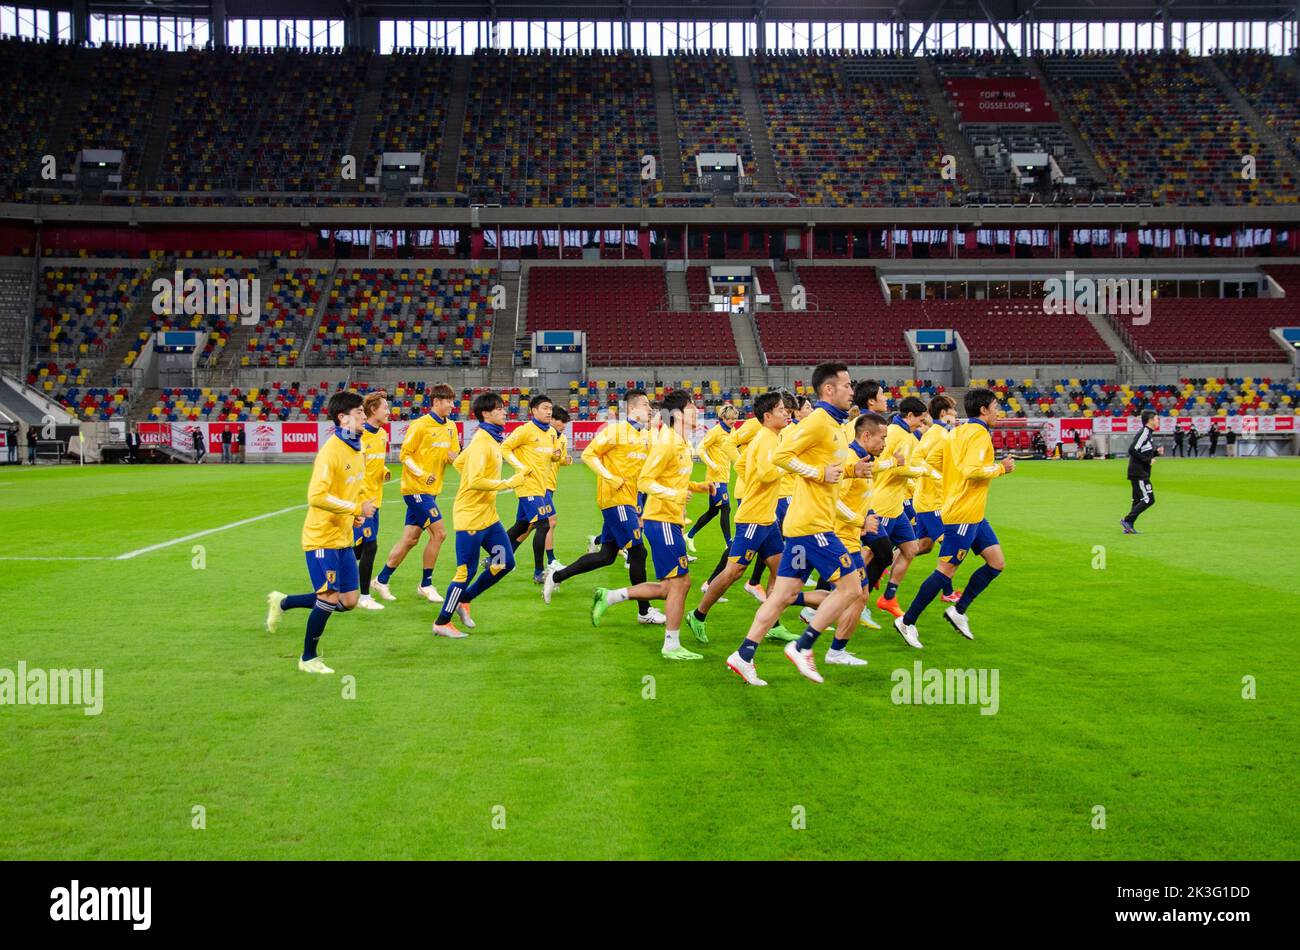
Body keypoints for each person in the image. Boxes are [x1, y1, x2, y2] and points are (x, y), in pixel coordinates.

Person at [729, 362, 874, 686]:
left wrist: (851, 471)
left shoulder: (835, 425)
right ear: (828, 390)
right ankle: (803, 646)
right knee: (851, 588)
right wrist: (817, 474)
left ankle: (743, 654)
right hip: (813, 527)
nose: (852, 390)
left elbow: (826, 467)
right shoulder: (820, 422)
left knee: (781, 596)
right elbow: (782, 456)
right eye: (847, 385)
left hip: (803, 525)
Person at [590, 389, 711, 659]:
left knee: (670, 587)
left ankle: (610, 597)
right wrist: (675, 495)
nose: (697, 409)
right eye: (691, 406)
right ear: (678, 414)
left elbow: (673, 480)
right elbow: (645, 481)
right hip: (662, 520)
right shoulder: (667, 442)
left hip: (671, 519)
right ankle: (671, 644)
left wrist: (699, 487)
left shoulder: (681, 443)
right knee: (681, 583)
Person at [265, 390, 376, 674]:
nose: (364, 416)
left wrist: (356, 515)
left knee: (348, 601)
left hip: (343, 537)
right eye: (359, 412)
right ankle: (308, 658)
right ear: (343, 417)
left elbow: (353, 486)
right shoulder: (331, 451)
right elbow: (316, 496)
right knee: (327, 597)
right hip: (320, 537)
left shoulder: (357, 446)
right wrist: (354, 509)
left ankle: (284, 602)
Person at [895, 388, 1014, 645]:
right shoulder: (979, 434)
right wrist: (1001, 468)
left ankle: (958, 611)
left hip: (973, 513)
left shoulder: (957, 432)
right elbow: (972, 470)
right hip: (962, 514)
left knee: (996, 562)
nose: (998, 411)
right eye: (995, 406)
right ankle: (907, 621)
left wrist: (941, 478)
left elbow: (939, 462)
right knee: (945, 571)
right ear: (983, 410)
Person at [686, 393, 799, 648]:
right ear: (767, 416)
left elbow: (744, 467)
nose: (786, 413)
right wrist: (789, 466)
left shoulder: (771, 437)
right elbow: (765, 473)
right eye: (781, 409)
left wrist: (756, 480)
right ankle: (698, 614)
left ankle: (773, 625)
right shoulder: (766, 440)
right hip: (753, 519)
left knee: (778, 570)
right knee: (733, 572)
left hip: (767, 519)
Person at [543, 389, 659, 626]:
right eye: (646, 405)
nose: (650, 409)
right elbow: (588, 454)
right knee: (638, 552)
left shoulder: (645, 437)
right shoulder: (616, 431)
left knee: (606, 556)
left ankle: (556, 576)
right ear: (632, 408)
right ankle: (644, 611)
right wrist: (609, 477)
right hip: (614, 500)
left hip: (629, 501)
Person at [431, 392, 527, 638]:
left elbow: (459, 464)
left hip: (488, 517)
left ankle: (465, 599)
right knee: (466, 571)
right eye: (499, 409)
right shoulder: (483, 442)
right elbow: (474, 480)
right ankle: (442, 622)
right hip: (470, 518)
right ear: (486, 413)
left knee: (505, 562)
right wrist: (509, 483)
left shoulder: (488, 440)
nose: (504, 412)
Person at [372, 383, 460, 604]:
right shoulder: (420, 425)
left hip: (432, 490)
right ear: (437, 402)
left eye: (453, 400)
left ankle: (381, 580)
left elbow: (453, 454)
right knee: (439, 534)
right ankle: (426, 584)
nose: (452, 404)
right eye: (448, 400)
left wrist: (456, 459)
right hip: (415, 489)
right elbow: (405, 455)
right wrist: (421, 474)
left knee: (410, 539)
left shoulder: (451, 427)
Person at [871, 396, 931, 624]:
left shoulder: (905, 435)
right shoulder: (896, 433)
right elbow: (892, 469)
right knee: (871, 554)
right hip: (883, 505)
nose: (922, 423)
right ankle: (850, 597)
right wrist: (921, 471)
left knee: (911, 549)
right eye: (921, 419)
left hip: (896, 506)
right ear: (909, 416)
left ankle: (889, 597)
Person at [501, 393, 561, 583]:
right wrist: (519, 468)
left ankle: (496, 558)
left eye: (550, 409)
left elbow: (550, 456)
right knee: (543, 524)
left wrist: (555, 456)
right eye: (545, 408)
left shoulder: (551, 432)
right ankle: (538, 572)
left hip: (542, 488)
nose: (549, 412)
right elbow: (505, 448)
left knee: (522, 525)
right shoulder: (524, 430)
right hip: (528, 486)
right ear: (533, 411)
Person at [354, 391, 392, 610]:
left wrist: (384, 470)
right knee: (371, 546)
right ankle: (364, 596)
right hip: (362, 503)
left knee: (358, 551)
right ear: (373, 410)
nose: (388, 411)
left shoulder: (383, 434)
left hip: (376, 501)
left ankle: (334, 575)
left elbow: (374, 463)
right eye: (385, 408)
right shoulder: (359, 436)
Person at [686, 403, 739, 559]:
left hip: (725, 477)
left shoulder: (732, 431)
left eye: (735, 419)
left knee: (713, 511)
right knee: (726, 508)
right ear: (723, 417)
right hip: (714, 478)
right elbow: (700, 449)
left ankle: (689, 535)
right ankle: (728, 543)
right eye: (730, 419)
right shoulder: (715, 432)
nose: (733, 422)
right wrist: (712, 464)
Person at [1120, 410, 1162, 534]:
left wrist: (1155, 453)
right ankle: (1127, 520)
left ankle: (1129, 526)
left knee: (1137, 500)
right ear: (1150, 420)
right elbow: (1132, 450)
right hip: (1138, 472)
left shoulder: (1148, 434)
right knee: (1149, 499)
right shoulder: (1144, 432)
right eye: (1157, 418)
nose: (1158, 421)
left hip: (1138, 471)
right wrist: (1148, 460)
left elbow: (1141, 451)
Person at [541, 406, 572, 572]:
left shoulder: (563, 439)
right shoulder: (544, 436)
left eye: (565, 422)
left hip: (551, 484)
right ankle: (551, 561)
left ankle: (497, 557)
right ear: (552, 420)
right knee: (551, 521)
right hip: (540, 485)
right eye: (561, 421)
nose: (564, 425)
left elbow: (558, 459)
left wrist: (566, 460)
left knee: (526, 527)